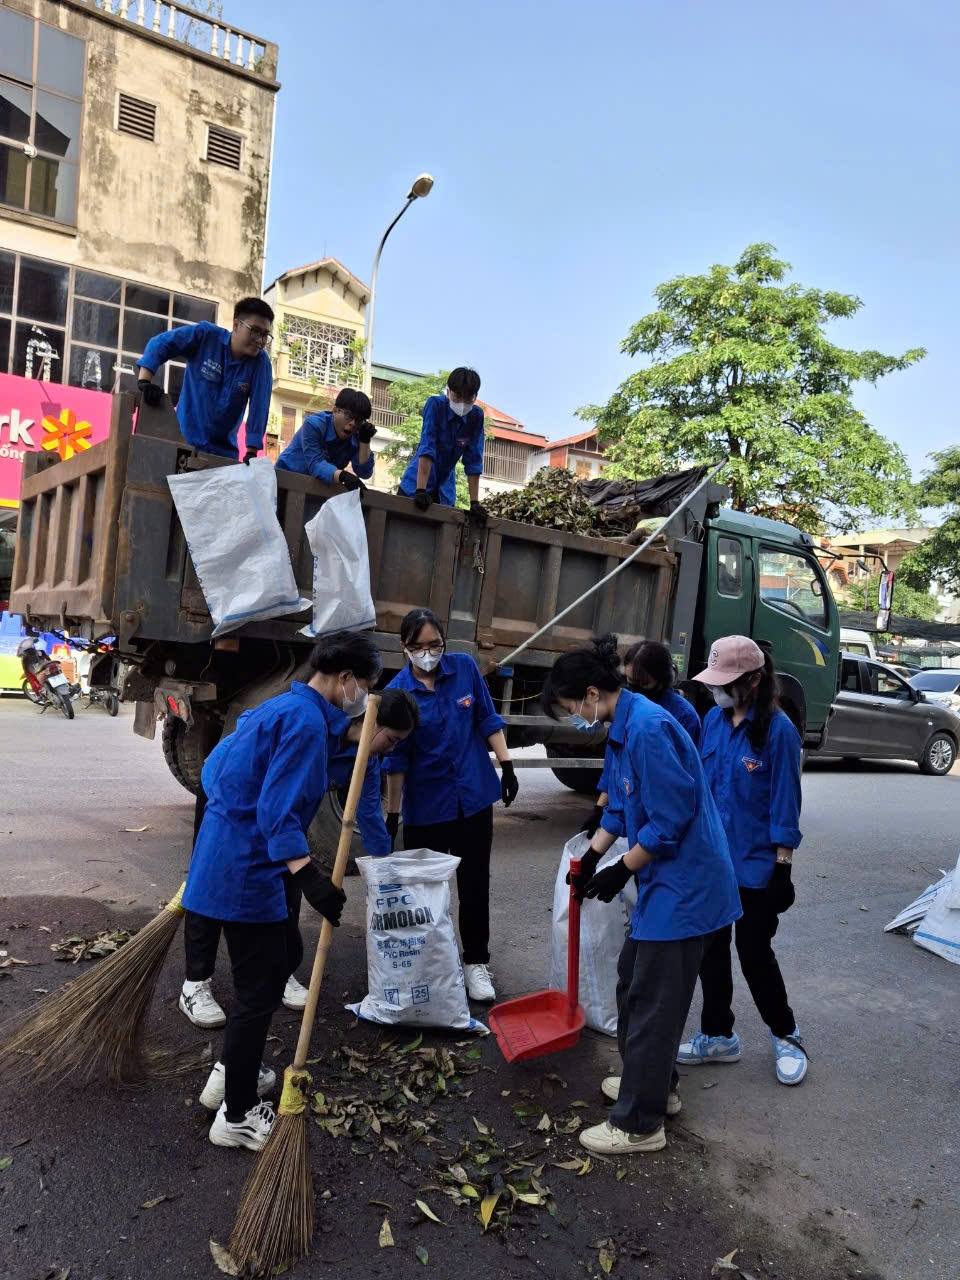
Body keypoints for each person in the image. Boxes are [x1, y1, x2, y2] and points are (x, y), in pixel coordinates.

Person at [183, 630, 382, 1152]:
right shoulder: (304, 725)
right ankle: (238, 1115)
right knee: (257, 990)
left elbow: (212, 770)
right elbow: (276, 811)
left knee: (283, 957)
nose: (362, 696)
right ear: (345, 680)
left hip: (220, 862)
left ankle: (232, 1073)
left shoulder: (276, 711)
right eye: (363, 685)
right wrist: (308, 876)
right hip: (248, 872)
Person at [543, 635, 741, 1157]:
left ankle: (638, 1123)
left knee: (652, 1000)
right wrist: (591, 857)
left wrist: (615, 872)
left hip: (688, 886)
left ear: (591, 693)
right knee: (634, 982)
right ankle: (656, 1084)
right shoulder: (622, 728)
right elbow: (618, 810)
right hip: (664, 883)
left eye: (571, 708)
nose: (574, 718)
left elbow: (670, 822)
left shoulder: (649, 729)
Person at [179, 688, 418, 1030]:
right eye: (392, 739)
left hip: (282, 811)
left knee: (287, 885)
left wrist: (388, 872)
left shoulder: (367, 762)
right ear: (371, 722)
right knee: (213, 886)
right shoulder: (310, 724)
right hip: (228, 794)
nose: (392, 749)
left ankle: (278, 971)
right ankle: (195, 983)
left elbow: (369, 817)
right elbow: (252, 747)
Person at [684, 636, 807, 1085]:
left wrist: (783, 867)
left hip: (758, 867)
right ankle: (718, 1035)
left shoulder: (778, 731)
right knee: (710, 953)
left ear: (754, 680)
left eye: (726, 683)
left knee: (754, 954)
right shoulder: (712, 721)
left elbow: (785, 803)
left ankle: (787, 1035)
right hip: (714, 863)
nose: (717, 691)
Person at [382, 607, 519, 1002]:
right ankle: (432, 966)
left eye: (435, 645)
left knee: (475, 885)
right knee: (427, 894)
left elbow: (487, 720)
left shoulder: (464, 669)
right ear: (404, 647)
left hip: (474, 800)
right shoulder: (398, 692)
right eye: (419, 647)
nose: (429, 653)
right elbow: (396, 759)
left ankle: (476, 963)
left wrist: (506, 767)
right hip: (427, 808)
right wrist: (394, 814)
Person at [582, 639, 702, 838]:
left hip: (662, 819)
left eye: (644, 683)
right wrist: (599, 808)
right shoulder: (626, 707)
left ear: (662, 678)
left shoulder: (683, 717)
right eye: (630, 682)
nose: (636, 689)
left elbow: (684, 783)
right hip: (630, 811)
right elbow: (615, 765)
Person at [137, 297, 274, 460]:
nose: (259, 340)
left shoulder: (261, 363)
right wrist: (145, 381)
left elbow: (260, 406)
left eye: (265, 335)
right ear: (236, 325)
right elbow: (161, 343)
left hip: (223, 455)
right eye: (255, 331)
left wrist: (251, 451)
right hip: (183, 444)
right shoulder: (205, 336)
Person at [398, 368, 488, 521]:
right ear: (448, 391)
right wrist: (420, 490)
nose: (462, 403)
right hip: (415, 485)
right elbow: (428, 446)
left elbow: (474, 460)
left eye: (468, 398)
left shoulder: (476, 417)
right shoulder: (435, 405)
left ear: (475, 396)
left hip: (445, 493)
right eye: (458, 396)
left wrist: (474, 502)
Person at [275, 388, 375, 492]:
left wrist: (365, 441)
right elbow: (315, 464)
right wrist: (343, 476)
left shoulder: (356, 435)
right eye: (348, 416)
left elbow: (364, 473)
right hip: (284, 480)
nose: (353, 423)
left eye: (358, 420)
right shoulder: (314, 425)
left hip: (316, 489)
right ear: (335, 411)